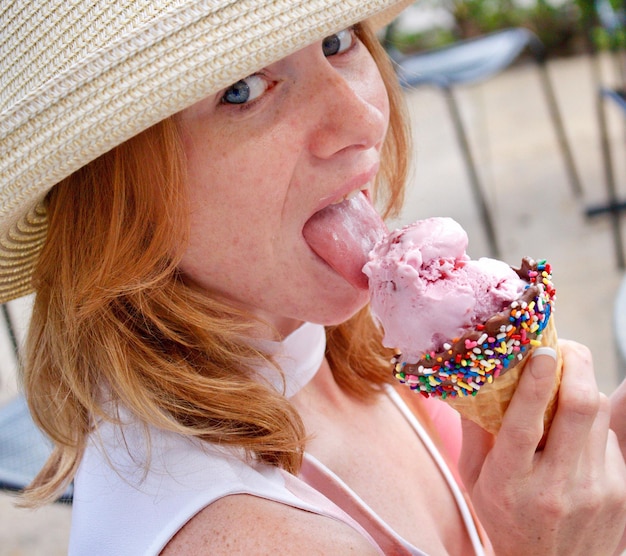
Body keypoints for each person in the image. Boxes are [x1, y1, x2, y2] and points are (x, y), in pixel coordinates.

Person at [1, 1, 626, 554]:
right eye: (241, 89)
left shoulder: (335, 338)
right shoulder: (255, 536)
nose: (358, 117)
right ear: (114, 202)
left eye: (335, 41)